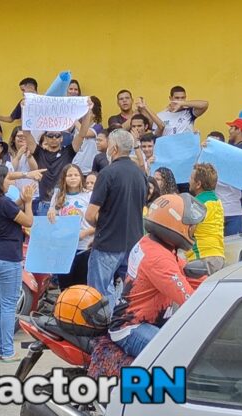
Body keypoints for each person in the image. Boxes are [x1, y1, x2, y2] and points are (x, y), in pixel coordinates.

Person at [109, 193, 206, 357]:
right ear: (175, 225)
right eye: (191, 227)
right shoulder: (158, 259)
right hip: (132, 327)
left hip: (147, 321)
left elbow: (186, 273)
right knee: (177, 356)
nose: (193, 232)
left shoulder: (155, 244)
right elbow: (189, 300)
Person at [0, 165, 36, 362]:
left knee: (1, 304)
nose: (10, 182)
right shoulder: (3, 202)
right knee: (9, 305)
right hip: (7, 256)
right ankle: (8, 351)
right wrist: (28, 202)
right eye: (7, 179)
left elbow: (11, 210)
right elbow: (28, 221)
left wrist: (21, 200)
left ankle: (0, 349)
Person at [85, 129, 147, 307]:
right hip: (134, 243)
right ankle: (120, 328)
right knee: (128, 294)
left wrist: (102, 226)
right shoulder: (140, 174)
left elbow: (90, 214)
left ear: (114, 148)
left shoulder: (107, 173)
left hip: (108, 243)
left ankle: (104, 330)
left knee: (99, 295)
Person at [25, 100, 93, 215]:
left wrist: (88, 111)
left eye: (57, 135)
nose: (54, 138)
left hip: (64, 203)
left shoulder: (68, 151)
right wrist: (24, 110)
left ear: (62, 138)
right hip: (44, 204)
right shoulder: (39, 152)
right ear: (45, 138)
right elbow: (26, 133)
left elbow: (82, 133)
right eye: (50, 136)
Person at [47, 164, 94, 289]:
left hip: (83, 247)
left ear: (81, 177)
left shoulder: (89, 195)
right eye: (69, 175)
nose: (73, 178)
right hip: (64, 247)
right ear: (64, 178)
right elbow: (52, 219)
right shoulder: (58, 196)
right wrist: (51, 211)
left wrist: (86, 232)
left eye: (76, 175)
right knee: (65, 285)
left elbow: (100, 222)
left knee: (81, 285)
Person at [184, 164, 225, 273]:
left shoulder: (197, 203)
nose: (189, 180)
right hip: (218, 254)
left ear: (198, 184)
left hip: (202, 256)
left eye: (191, 178)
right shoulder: (217, 201)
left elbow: (189, 231)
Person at [208, 130, 242, 236]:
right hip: (215, 212)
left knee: (233, 247)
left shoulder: (235, 160)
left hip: (234, 212)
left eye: (216, 143)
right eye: (211, 143)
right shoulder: (205, 163)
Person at [72, 96, 104, 175]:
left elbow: (85, 133)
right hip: (76, 167)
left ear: (94, 114)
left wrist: (73, 119)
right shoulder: (76, 128)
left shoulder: (98, 127)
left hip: (89, 170)